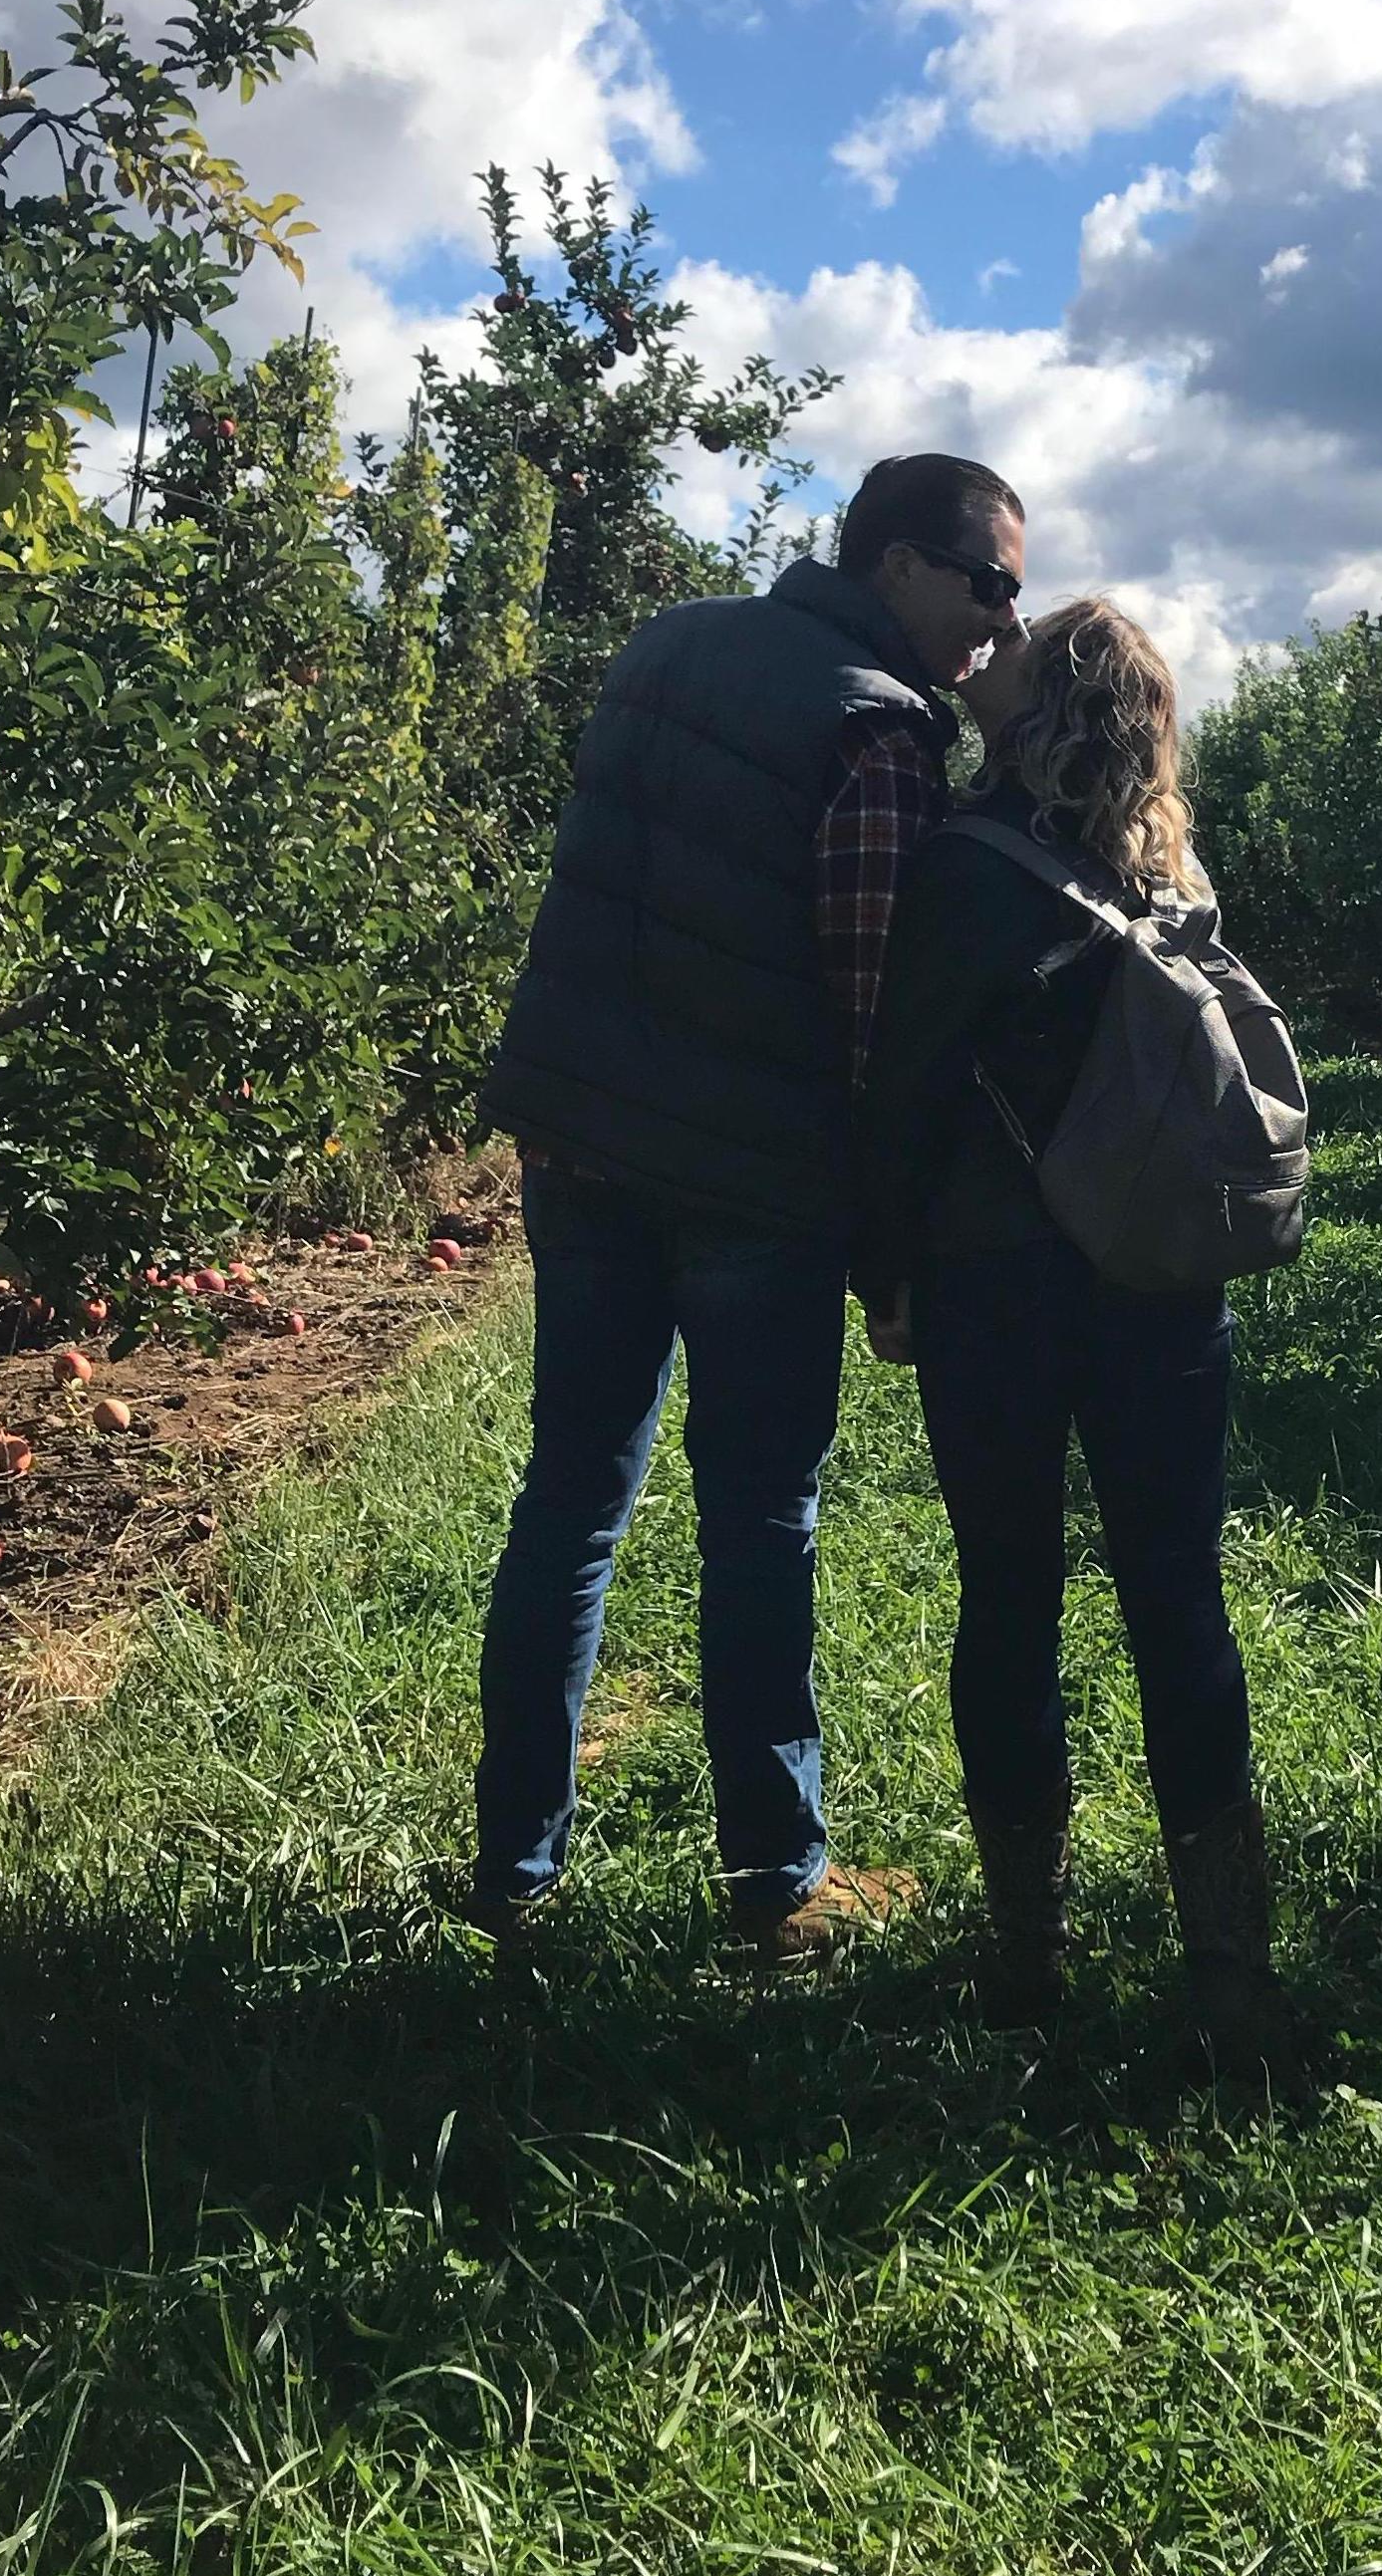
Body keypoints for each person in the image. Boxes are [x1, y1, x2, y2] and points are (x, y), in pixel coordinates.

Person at [468, 453, 1026, 1959]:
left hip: (578, 1144)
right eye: (988, 582)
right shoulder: (880, 725)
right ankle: (774, 1884)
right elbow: (869, 1010)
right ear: (898, 565)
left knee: (570, 1496)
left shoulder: (669, 642)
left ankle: (512, 1876)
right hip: (747, 1185)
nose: (999, 620)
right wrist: (885, 1239)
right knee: (758, 1518)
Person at [854, 599, 1286, 2067]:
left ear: (1040, 706)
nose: (990, 653)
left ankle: (1027, 1944)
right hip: (1162, 1277)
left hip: (998, 1282)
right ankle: (1226, 1958)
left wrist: (883, 1270)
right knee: (1179, 1595)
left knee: (1011, 1594)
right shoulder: (1169, 866)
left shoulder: (967, 871)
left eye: (1017, 649)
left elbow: (905, 1086)